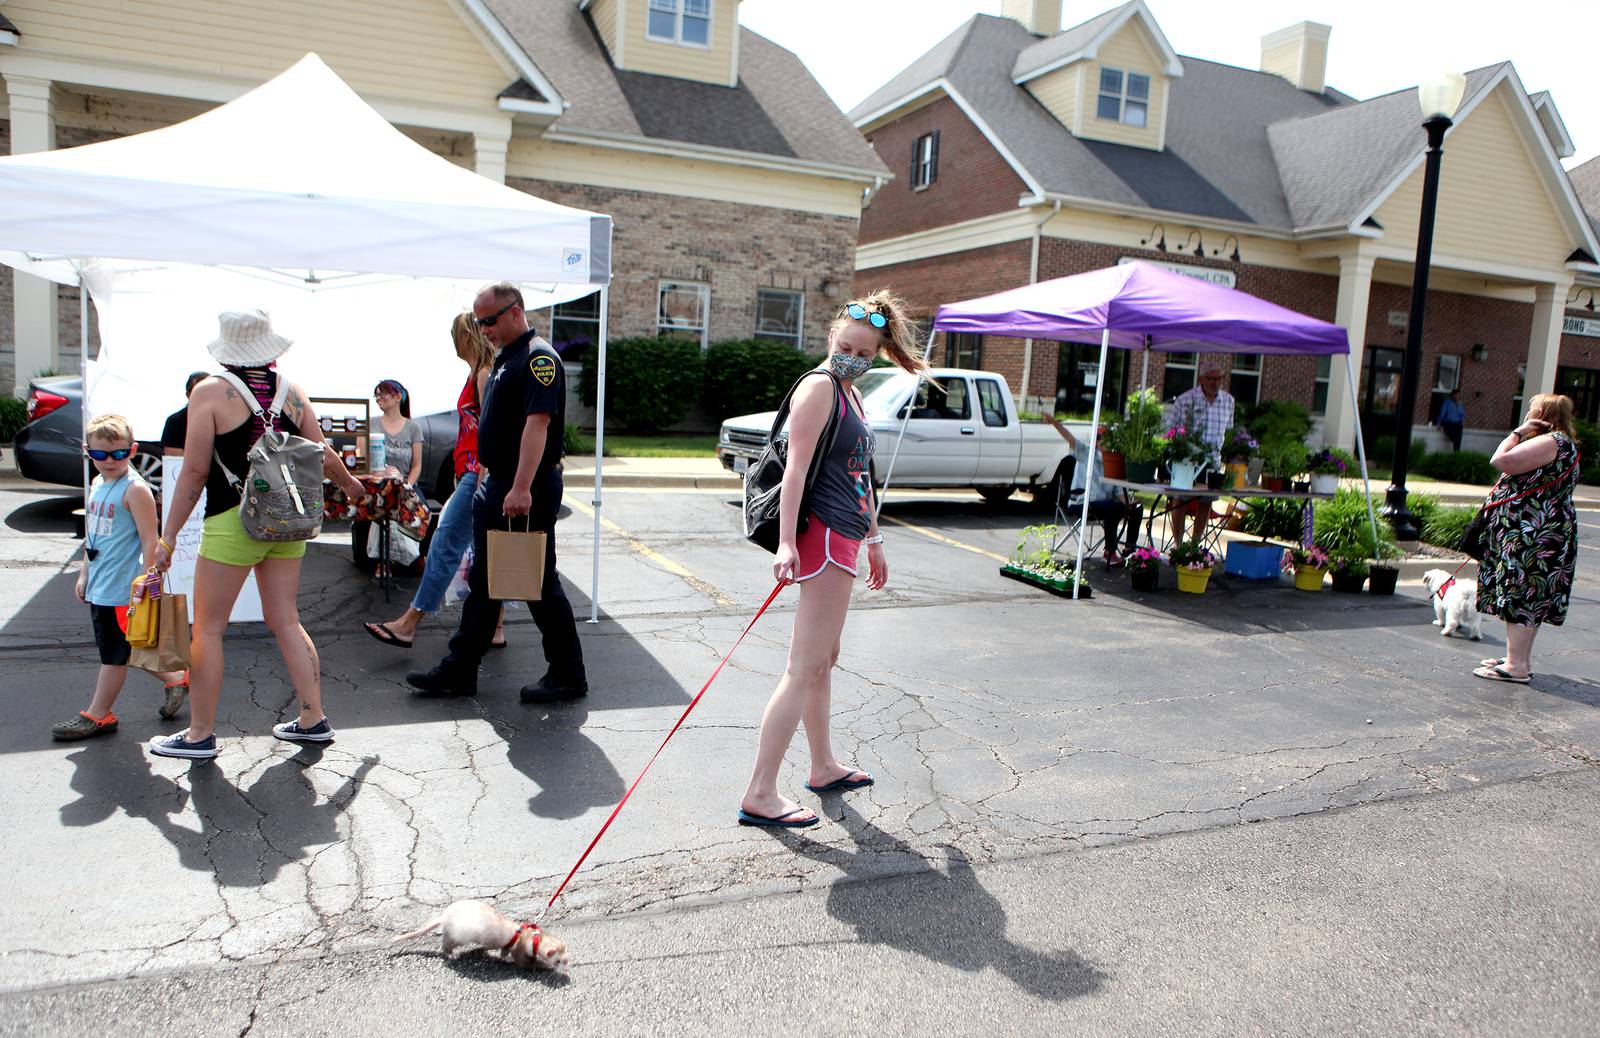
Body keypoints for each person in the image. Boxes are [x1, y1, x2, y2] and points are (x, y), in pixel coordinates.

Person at [737, 290, 927, 829]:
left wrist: (874, 537)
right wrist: (787, 544)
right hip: (819, 539)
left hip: (844, 536)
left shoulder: (851, 392)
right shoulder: (821, 387)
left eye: (864, 353)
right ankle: (760, 791)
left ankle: (821, 766)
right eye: (846, 346)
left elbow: (859, 473)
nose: (853, 358)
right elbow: (795, 470)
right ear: (830, 338)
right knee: (803, 668)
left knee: (822, 662)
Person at [147, 310, 367, 760]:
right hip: (288, 521)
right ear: (268, 348)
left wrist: (166, 538)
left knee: (207, 629)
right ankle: (312, 718)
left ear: (228, 349)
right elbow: (322, 452)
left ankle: (200, 735)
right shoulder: (293, 393)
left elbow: (193, 471)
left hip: (233, 520)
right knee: (286, 618)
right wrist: (350, 484)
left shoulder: (209, 392)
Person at [406, 283, 586, 703]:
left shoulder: (539, 358)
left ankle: (568, 674)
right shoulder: (507, 356)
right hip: (500, 482)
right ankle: (460, 668)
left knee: (538, 582)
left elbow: (537, 424)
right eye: (478, 321)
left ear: (515, 312)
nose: (482, 328)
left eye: (488, 320)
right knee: (486, 581)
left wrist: (521, 485)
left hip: (525, 485)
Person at [364, 314, 506, 650]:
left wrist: (482, 479)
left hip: (477, 475)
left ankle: (408, 624)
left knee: (443, 544)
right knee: (482, 550)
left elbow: (491, 431)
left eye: (454, 334)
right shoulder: (478, 372)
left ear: (464, 336)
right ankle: (496, 628)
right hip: (472, 473)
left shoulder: (484, 374)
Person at [51, 414, 188, 740]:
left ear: (133, 450)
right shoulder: (99, 484)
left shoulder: (135, 489)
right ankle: (176, 678)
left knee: (113, 655)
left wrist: (145, 583)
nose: (109, 461)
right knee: (127, 646)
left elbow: (149, 541)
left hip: (122, 590)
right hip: (101, 586)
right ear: (88, 452)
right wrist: (84, 574)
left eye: (118, 454)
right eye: (100, 455)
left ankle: (98, 714)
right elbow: (93, 537)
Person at [1472, 393, 1581, 684]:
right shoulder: (1563, 444)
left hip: (1531, 533)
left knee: (1521, 593)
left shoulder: (1550, 441)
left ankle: (1516, 665)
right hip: (1545, 530)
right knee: (1531, 595)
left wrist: (1518, 432)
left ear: (1543, 414)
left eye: (1533, 410)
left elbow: (1501, 460)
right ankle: (1519, 659)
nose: (1528, 414)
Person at [1048, 416, 1143, 565]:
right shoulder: (1086, 453)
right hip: (1083, 502)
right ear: (1097, 442)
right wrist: (1054, 422)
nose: (1107, 444)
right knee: (1115, 507)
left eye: (1110, 441)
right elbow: (1069, 438)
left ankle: (1129, 548)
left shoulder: (1114, 462)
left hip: (1104, 505)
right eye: (1103, 440)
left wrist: (1129, 504)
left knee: (1136, 508)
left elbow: (1119, 493)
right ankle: (1109, 552)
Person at [1164, 360, 1234, 544]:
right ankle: (1179, 545)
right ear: (1202, 378)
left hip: (1213, 461)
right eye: (1211, 378)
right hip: (1188, 460)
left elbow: (1229, 431)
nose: (1215, 383)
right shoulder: (1185, 399)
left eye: (1219, 378)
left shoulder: (1228, 401)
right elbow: (1172, 431)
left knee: (1206, 501)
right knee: (1180, 499)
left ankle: (1194, 545)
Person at [372, 379, 424, 486]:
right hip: (376, 484)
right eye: (376, 395)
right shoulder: (370, 424)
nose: (378, 398)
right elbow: (362, 461)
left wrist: (407, 487)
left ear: (398, 397)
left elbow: (416, 466)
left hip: (404, 484)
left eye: (382, 394)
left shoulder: (413, 428)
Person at [159, 371, 212, 459]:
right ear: (188, 394)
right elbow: (173, 458)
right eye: (199, 391)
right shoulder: (176, 421)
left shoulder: (226, 419)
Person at [1437, 388, 1465, 452]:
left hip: (1458, 424)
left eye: (1459, 395)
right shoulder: (1447, 403)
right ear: (1453, 395)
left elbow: (1462, 415)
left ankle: (1456, 454)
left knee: (1458, 441)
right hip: (1449, 423)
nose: (1458, 397)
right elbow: (1442, 413)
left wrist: (1462, 421)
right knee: (1454, 438)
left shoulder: (1460, 405)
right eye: (1456, 395)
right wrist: (1438, 424)